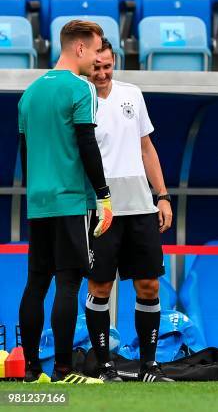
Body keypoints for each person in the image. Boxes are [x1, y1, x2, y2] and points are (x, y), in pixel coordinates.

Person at [18, 20, 112, 384]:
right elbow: (87, 146)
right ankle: (62, 371)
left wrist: (38, 190)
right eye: (96, 49)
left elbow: (25, 156)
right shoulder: (80, 89)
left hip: (38, 202)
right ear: (79, 48)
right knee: (68, 284)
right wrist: (104, 196)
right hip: (70, 202)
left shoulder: (29, 94)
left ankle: (29, 370)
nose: (98, 57)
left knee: (35, 283)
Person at [84, 38, 174, 382]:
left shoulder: (132, 94)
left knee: (149, 285)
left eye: (108, 66)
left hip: (140, 206)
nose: (103, 73)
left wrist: (162, 196)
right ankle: (104, 366)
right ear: (87, 64)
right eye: (97, 67)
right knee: (100, 287)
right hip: (100, 209)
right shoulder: (78, 98)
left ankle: (149, 367)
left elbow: (146, 147)